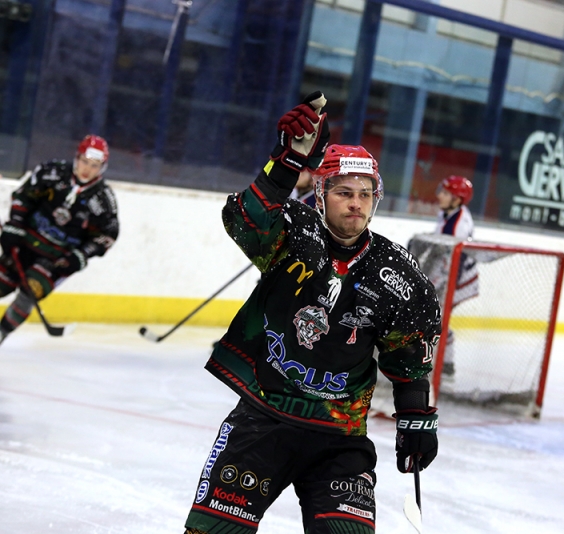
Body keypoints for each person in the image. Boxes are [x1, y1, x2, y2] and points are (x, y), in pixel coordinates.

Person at [183, 92, 442, 534]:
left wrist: (415, 418)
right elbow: (244, 220)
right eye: (344, 192)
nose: (355, 203)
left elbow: (407, 355)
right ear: (321, 194)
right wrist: (284, 163)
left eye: (364, 194)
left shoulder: (399, 273)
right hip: (262, 419)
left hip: (339, 438)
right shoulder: (293, 232)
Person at [0, 135, 119, 345]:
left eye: (94, 165)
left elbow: (106, 235)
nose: (87, 169)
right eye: (84, 162)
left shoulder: (102, 200)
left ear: (102, 167)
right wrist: (15, 225)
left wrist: (81, 255)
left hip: (58, 258)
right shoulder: (52, 172)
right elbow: (24, 195)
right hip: (26, 241)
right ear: (77, 157)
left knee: (33, 288)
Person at [433, 175, 478, 382]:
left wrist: (447, 286)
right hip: (445, 272)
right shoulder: (447, 214)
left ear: (457, 200)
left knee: (440, 320)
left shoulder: (459, 223)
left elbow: (456, 261)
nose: (440, 196)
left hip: (460, 280)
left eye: (445, 193)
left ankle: (447, 366)